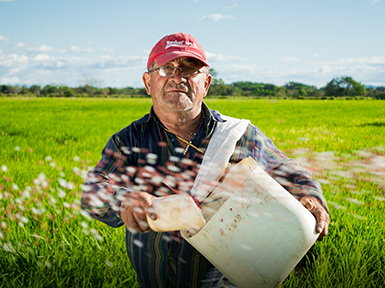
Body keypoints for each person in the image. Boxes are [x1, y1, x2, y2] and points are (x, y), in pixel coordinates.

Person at [81, 32, 329, 288]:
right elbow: (92, 192)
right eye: (167, 68)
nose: (178, 77)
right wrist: (123, 201)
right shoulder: (129, 141)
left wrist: (310, 197)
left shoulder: (237, 136)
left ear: (206, 83)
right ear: (148, 82)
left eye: (190, 69)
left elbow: (290, 174)